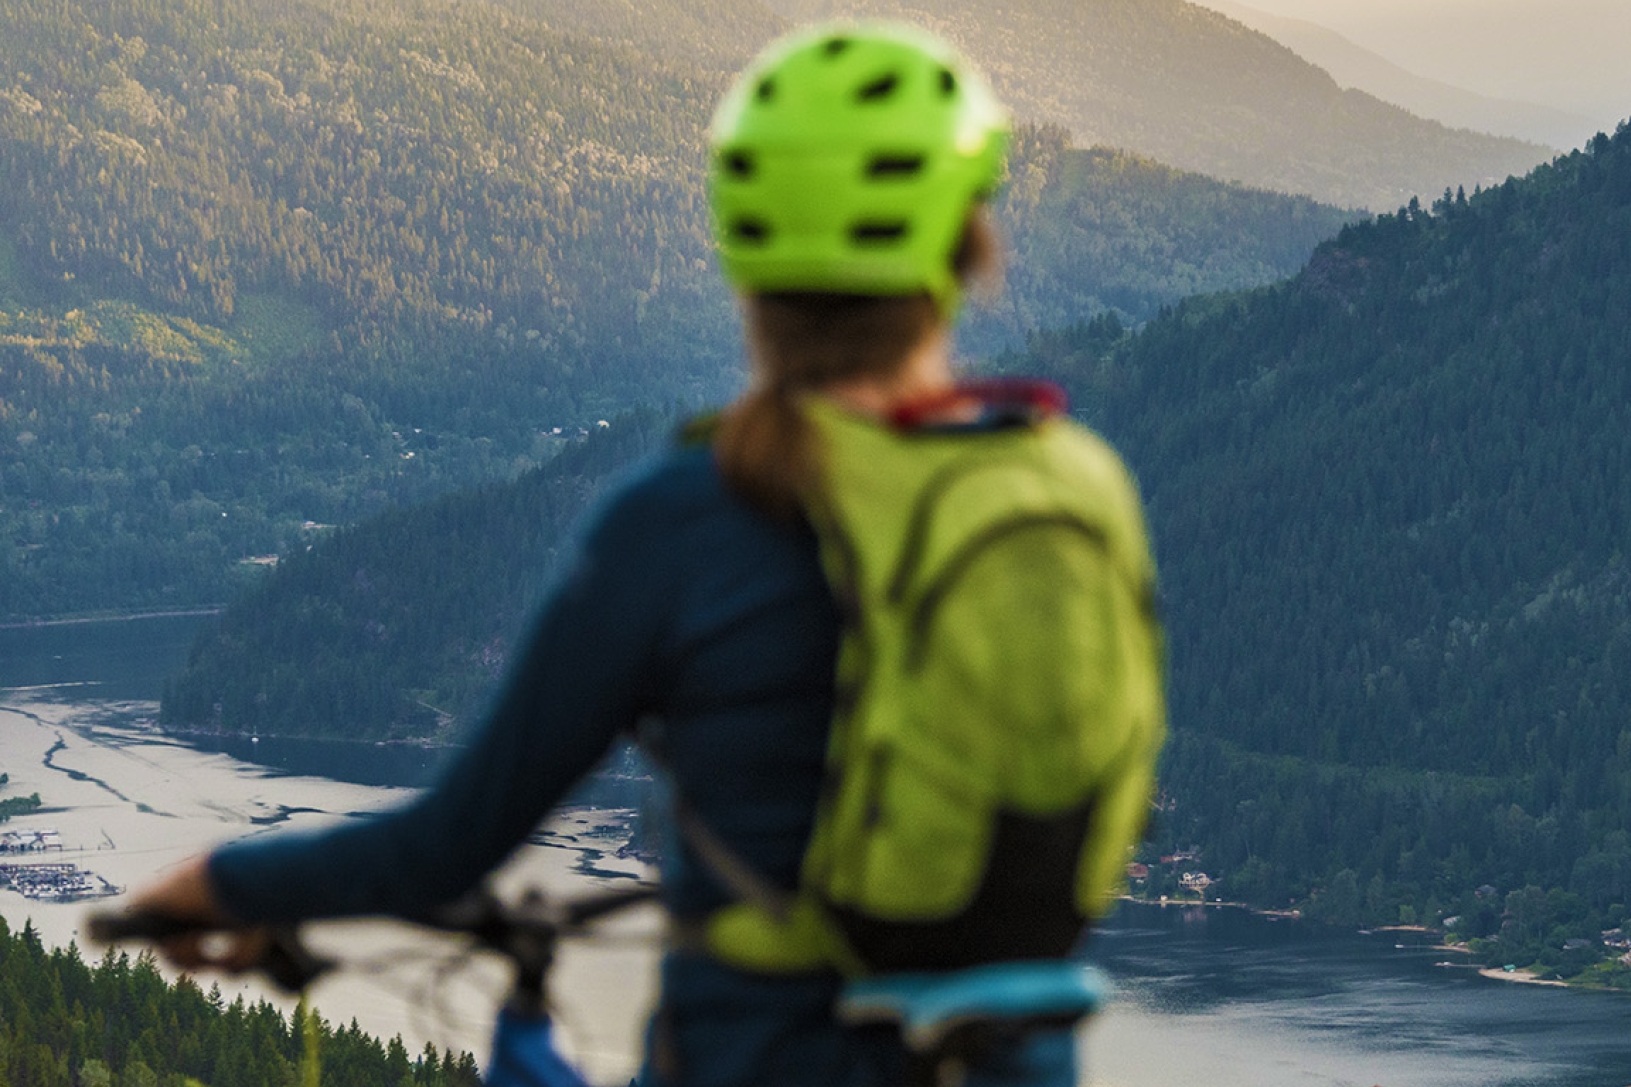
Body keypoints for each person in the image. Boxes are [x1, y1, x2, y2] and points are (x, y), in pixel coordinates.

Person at [121, 22, 1160, 1087]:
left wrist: (221, 887)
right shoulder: (1073, 484)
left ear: (743, 255)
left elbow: (455, 838)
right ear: (969, 244)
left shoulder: (688, 518)